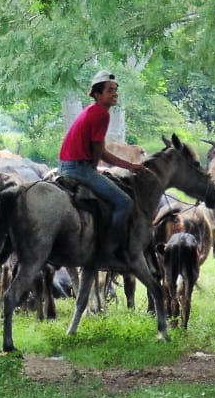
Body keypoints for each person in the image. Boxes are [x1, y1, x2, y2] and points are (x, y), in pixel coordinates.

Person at [57, 70, 148, 262]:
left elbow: (101, 152)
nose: (115, 93)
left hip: (65, 165)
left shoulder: (91, 110)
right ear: (98, 95)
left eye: (115, 90)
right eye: (109, 90)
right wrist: (95, 167)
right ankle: (109, 249)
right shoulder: (101, 114)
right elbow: (100, 153)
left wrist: (131, 165)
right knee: (125, 202)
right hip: (78, 168)